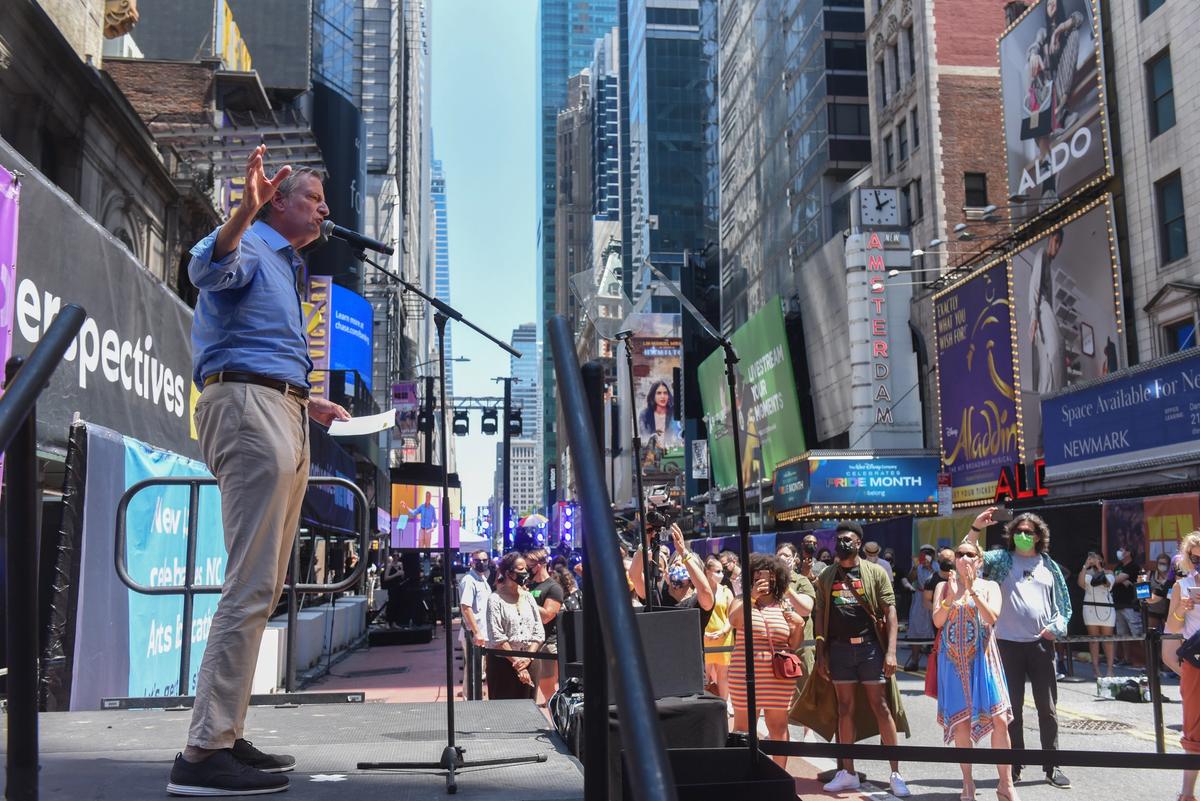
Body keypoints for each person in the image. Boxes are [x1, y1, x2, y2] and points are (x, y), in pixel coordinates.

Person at [167, 148, 350, 797]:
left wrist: (306, 397)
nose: (327, 209)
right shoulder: (251, 241)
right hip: (250, 408)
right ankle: (201, 752)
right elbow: (203, 267)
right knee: (249, 583)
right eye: (314, 198)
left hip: (281, 407)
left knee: (264, 585)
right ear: (277, 199)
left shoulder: (286, 264)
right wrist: (241, 210)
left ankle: (225, 731)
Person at [965, 508, 1072, 788]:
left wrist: (1056, 628)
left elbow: (1064, 606)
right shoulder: (1001, 560)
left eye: (1029, 532)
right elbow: (968, 556)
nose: (1024, 535)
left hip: (1040, 646)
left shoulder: (1049, 566)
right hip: (1005, 645)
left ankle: (1052, 765)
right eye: (1019, 531)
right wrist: (976, 527)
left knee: (1047, 709)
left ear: (1039, 536)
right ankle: (1014, 764)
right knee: (1010, 711)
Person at [816, 522, 911, 797]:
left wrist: (891, 651)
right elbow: (820, 615)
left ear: (858, 543)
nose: (842, 543)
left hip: (870, 649)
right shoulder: (827, 576)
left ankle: (895, 773)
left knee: (881, 706)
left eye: (847, 539)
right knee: (844, 709)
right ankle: (848, 772)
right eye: (839, 539)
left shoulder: (875, 572)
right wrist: (821, 652)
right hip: (840, 650)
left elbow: (890, 612)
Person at [932, 541, 1016, 801]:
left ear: (980, 561)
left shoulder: (990, 586)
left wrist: (971, 590)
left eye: (971, 554)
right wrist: (951, 596)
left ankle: (1006, 783)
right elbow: (937, 621)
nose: (965, 558)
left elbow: (992, 618)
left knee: (1000, 720)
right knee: (961, 724)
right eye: (960, 554)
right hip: (953, 663)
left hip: (984, 659)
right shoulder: (943, 586)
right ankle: (967, 783)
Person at [727, 553, 806, 768]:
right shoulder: (741, 601)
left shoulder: (784, 605)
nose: (765, 581)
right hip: (744, 674)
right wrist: (751, 597)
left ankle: (779, 777)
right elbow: (734, 621)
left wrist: (800, 626)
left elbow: (793, 644)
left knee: (778, 728)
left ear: (778, 579)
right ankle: (744, 777)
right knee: (743, 727)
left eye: (770, 578)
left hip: (778, 678)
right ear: (750, 579)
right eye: (759, 577)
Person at [1161, 531, 1200, 801]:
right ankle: (1187, 794)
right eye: (1194, 556)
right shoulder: (1182, 586)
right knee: (1194, 727)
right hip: (1196, 661)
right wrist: (1182, 610)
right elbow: (1172, 628)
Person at [484, 552, 545, 700]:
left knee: (529, 711)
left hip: (530, 660)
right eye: (520, 569)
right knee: (505, 715)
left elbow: (539, 631)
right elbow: (497, 637)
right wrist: (517, 663)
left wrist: (528, 659)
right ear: (508, 573)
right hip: (503, 664)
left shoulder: (528, 597)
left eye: (526, 568)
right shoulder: (495, 599)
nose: (525, 573)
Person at [525, 548, 565, 706]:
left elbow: (548, 616)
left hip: (547, 644)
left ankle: (560, 724)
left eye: (530, 565)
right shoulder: (530, 585)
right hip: (530, 643)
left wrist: (527, 598)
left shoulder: (553, 587)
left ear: (541, 565)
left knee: (548, 690)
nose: (527, 569)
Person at [459, 551, 492, 698]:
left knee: (478, 669)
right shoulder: (469, 580)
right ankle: (471, 700)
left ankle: (472, 697)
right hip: (474, 633)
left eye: (485, 560)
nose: (482, 562)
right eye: (478, 560)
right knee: (474, 669)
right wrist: (476, 631)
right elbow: (466, 607)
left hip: (483, 632)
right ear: (471, 561)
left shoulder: (482, 579)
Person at [1077, 551, 1116, 678]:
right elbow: (1081, 584)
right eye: (1092, 558)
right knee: (1094, 640)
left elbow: (1107, 584)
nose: (1094, 561)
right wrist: (1085, 566)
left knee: (1107, 640)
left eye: (1097, 559)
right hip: (1090, 608)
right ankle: (1096, 669)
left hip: (1106, 609)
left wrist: (1099, 568)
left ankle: (1110, 669)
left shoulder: (1109, 573)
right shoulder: (1086, 573)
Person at [702, 555, 734, 701]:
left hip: (724, 639)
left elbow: (732, 616)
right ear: (707, 572)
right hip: (705, 639)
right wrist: (703, 634)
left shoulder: (726, 591)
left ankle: (724, 704)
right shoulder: (700, 592)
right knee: (704, 674)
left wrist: (723, 632)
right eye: (717, 571)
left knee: (723, 674)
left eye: (722, 571)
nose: (721, 575)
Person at [903, 544, 938, 671]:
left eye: (929, 552)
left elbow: (940, 580)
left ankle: (936, 661)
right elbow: (909, 579)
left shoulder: (937, 566)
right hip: (919, 598)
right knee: (916, 628)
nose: (927, 554)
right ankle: (914, 660)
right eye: (924, 552)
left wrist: (930, 569)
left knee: (936, 628)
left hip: (934, 598)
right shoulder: (917, 565)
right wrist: (915, 568)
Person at [1112, 545, 1145, 667]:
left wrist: (1118, 579)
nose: (1119, 552)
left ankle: (1148, 660)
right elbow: (1113, 578)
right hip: (1118, 604)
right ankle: (1126, 659)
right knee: (1122, 633)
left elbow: (1114, 579)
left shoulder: (1133, 567)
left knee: (1138, 633)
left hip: (1130, 605)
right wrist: (1118, 579)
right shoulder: (1119, 566)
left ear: (1129, 553)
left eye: (1122, 550)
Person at [638, 379, 682, 448]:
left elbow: (678, 437)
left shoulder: (674, 412)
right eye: (659, 393)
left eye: (665, 393)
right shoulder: (644, 415)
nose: (663, 396)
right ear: (653, 396)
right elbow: (644, 438)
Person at [1148, 552, 1177, 632]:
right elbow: (1151, 599)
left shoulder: (1189, 580)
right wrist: (1141, 587)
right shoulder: (1168, 584)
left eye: (1164, 563)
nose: (1162, 565)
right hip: (1156, 611)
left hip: (1175, 615)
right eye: (1160, 563)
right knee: (1152, 634)